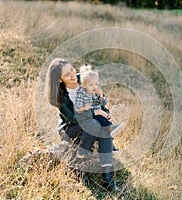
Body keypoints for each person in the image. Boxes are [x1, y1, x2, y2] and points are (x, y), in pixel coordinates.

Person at [47, 58, 120, 192]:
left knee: (98, 126)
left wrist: (104, 113)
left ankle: (107, 179)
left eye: (72, 70)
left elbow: (100, 103)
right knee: (94, 124)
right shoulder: (59, 95)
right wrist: (95, 112)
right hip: (71, 129)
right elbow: (74, 118)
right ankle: (80, 168)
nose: (73, 75)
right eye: (67, 75)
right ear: (60, 80)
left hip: (92, 124)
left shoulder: (84, 80)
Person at [74, 64, 125, 159]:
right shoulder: (81, 94)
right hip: (89, 116)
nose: (94, 87)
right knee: (99, 121)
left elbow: (104, 103)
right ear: (84, 86)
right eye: (91, 85)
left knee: (104, 119)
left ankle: (110, 130)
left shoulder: (96, 93)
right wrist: (84, 108)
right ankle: (109, 130)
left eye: (96, 84)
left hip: (97, 115)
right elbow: (77, 107)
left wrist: (101, 95)